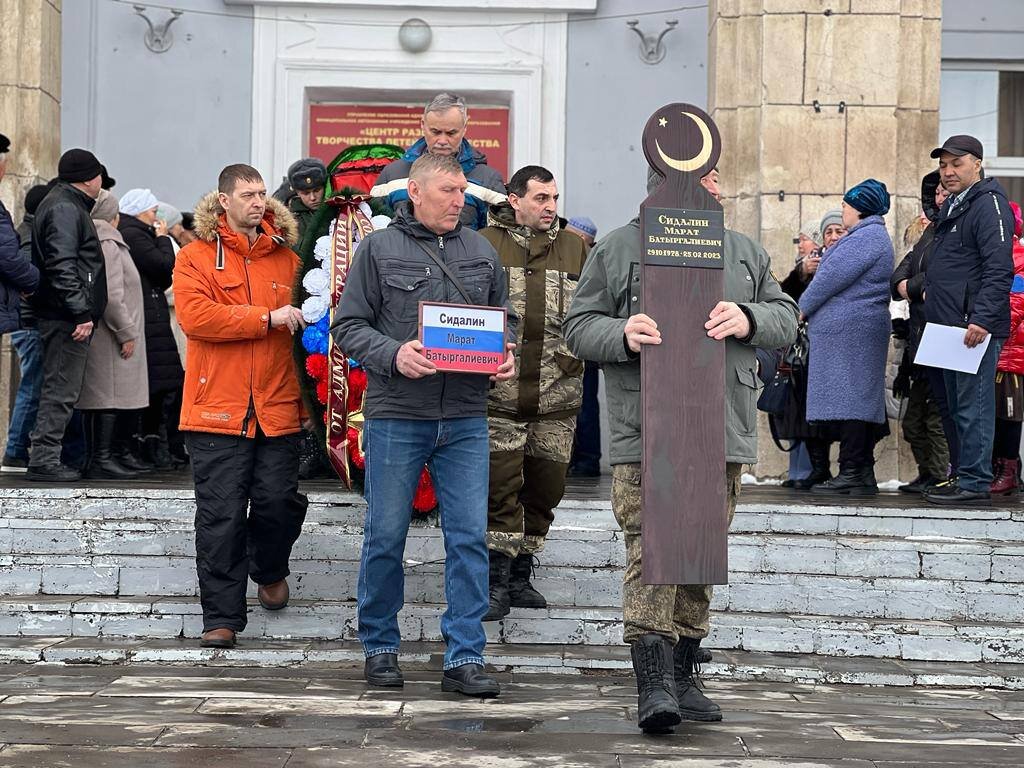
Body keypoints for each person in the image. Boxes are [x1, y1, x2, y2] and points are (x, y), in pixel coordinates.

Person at [564, 166, 798, 733]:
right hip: (648, 427)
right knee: (652, 545)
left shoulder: (741, 250)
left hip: (721, 425)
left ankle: (687, 672)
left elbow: (786, 317)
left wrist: (748, 317)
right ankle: (653, 682)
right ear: (664, 183)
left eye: (719, 178)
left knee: (700, 546)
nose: (717, 188)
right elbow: (577, 325)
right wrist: (620, 333)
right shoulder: (621, 246)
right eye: (706, 178)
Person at [334, 152, 516, 698]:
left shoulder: (481, 251)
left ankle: (464, 656)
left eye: (463, 191)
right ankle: (381, 649)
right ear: (414, 191)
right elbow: (346, 325)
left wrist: (503, 354)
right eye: (448, 191)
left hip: (465, 417)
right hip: (398, 414)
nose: (460, 200)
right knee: (385, 536)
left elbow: (502, 319)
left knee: (468, 539)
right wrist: (393, 354)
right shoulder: (379, 247)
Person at [173, 164, 309, 649]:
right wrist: (266, 318)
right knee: (221, 516)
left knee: (277, 503)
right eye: (248, 194)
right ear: (223, 201)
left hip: (277, 406)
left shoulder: (289, 261)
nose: (259, 202)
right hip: (216, 410)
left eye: (262, 194)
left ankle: (269, 566)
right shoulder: (193, 257)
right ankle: (222, 617)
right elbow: (196, 317)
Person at [477, 166, 587, 621]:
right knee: (500, 488)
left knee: (545, 489)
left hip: (558, 398)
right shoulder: (483, 244)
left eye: (555, 198)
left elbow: (592, 313)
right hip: (498, 395)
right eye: (541, 198)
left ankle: (522, 570)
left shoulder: (576, 247)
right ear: (514, 199)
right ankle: (496, 580)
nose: (550, 207)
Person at [923, 135, 1015, 506]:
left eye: (956, 164)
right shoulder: (956, 206)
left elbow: (999, 268)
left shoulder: (989, 204)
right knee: (954, 407)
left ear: (977, 164)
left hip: (971, 328)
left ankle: (975, 482)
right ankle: (964, 474)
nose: (948, 172)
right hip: (947, 326)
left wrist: (982, 319)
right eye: (943, 165)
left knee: (973, 407)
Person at [799, 180, 894, 495]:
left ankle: (852, 470)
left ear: (860, 207)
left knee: (853, 401)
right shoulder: (870, 236)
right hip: (857, 333)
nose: (842, 210)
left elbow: (828, 278)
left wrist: (802, 309)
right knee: (859, 400)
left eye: (845, 205)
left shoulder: (864, 238)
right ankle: (862, 471)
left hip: (853, 334)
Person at [26, 148, 108, 482]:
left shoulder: (64, 203)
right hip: (65, 316)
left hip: (63, 313)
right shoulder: (65, 207)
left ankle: (45, 455)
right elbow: (62, 265)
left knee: (60, 387)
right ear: (91, 178)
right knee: (61, 388)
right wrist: (80, 312)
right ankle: (44, 458)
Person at [78, 190, 148, 479]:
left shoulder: (105, 239)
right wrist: (126, 332)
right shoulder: (108, 242)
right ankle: (101, 459)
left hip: (112, 335)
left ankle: (107, 456)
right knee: (107, 398)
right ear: (114, 216)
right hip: (112, 337)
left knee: (111, 398)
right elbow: (112, 294)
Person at [891, 172, 953, 493]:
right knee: (913, 424)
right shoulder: (928, 235)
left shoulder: (953, 234)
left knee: (936, 420)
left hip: (943, 338)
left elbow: (940, 279)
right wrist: (915, 289)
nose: (940, 198)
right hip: (918, 345)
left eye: (946, 192)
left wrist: (911, 288)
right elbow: (898, 278)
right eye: (937, 193)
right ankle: (929, 473)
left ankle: (942, 476)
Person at [118, 188, 185, 470]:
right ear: (141, 211)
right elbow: (164, 265)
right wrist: (163, 238)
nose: (157, 217)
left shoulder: (132, 233)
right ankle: (149, 447)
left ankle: (152, 446)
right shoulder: (137, 235)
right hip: (150, 320)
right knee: (159, 388)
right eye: (153, 211)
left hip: (153, 318)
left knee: (161, 387)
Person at [371, 93, 507, 230]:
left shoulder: (488, 180)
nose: (442, 141)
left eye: (451, 133)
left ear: (465, 128)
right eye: (435, 132)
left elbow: (499, 240)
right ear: (423, 125)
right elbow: (375, 230)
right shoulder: (392, 174)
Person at [2, 184, 48, 472]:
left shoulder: (25, 230)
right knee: (31, 386)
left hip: (26, 319)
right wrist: (35, 282)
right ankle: (16, 450)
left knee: (32, 385)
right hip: (29, 322)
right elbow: (19, 269)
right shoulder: (30, 235)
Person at [564, 215, 602, 478]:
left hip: (578, 344)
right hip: (573, 343)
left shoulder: (587, 259)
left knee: (584, 404)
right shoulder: (593, 257)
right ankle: (583, 460)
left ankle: (586, 460)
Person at [990, 201, 1024, 495]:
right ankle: (1000, 468)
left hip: (1010, 349)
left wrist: (993, 331)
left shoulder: (1018, 256)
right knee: (993, 413)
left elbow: (1017, 302)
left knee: (1009, 414)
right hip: (991, 347)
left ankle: (1009, 470)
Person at [282, 158, 327, 241]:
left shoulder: (340, 211)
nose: (312, 198)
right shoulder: (287, 219)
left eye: (317, 190)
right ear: (297, 193)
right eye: (306, 193)